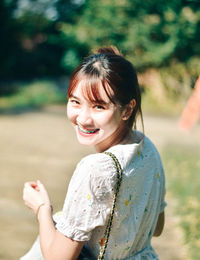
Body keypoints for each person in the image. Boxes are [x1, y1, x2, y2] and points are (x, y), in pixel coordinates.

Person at [22, 46, 166, 260]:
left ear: (127, 109)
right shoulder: (147, 149)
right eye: (75, 102)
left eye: (98, 106)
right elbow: (156, 227)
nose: (83, 118)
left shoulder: (96, 169)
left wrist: (42, 208)